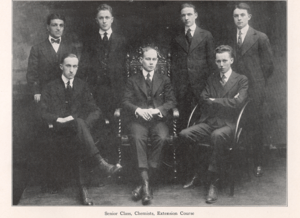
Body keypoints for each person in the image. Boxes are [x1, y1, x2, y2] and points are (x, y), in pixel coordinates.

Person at [40, 53, 122, 205]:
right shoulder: (50, 87)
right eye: (68, 66)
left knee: (78, 126)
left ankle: (83, 188)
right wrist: (58, 119)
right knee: (79, 129)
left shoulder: (82, 85)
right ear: (61, 67)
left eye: (75, 66)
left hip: (78, 130)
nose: (71, 70)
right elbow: (42, 112)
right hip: (58, 130)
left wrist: (84, 124)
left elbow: (95, 110)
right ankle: (101, 164)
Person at [178, 45, 248, 204]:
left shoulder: (241, 80)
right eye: (218, 61)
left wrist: (214, 101)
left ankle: (213, 181)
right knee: (184, 134)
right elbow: (203, 100)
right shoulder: (211, 78)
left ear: (231, 60)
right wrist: (226, 101)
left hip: (229, 125)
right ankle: (198, 172)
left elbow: (238, 103)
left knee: (217, 136)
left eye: (224, 60)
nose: (221, 64)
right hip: (209, 122)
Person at [122, 46, 177, 205]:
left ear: (157, 61)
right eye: (148, 59)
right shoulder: (132, 80)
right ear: (141, 60)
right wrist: (138, 110)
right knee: (138, 138)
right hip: (138, 121)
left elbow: (172, 101)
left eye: (154, 59)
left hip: (158, 120)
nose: (151, 62)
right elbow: (125, 102)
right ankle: (147, 185)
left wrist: (158, 110)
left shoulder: (164, 79)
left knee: (161, 137)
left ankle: (144, 184)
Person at [229, 2, 274, 177]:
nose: (239, 18)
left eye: (242, 15)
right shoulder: (230, 36)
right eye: (236, 16)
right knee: (237, 124)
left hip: (255, 89)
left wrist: (257, 82)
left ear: (249, 17)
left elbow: (268, 66)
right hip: (235, 89)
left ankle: (257, 163)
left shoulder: (260, 37)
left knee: (256, 125)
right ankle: (240, 161)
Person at [78, 3, 127, 122]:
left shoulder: (121, 40)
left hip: (115, 89)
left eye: (107, 18)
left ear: (112, 20)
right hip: (96, 89)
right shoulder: (90, 40)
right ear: (96, 20)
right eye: (101, 18)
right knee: (96, 120)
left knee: (114, 123)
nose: (104, 21)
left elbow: (124, 67)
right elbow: (84, 65)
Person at [171, 3, 215, 131]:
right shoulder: (176, 38)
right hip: (182, 87)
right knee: (183, 119)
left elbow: (212, 64)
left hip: (201, 87)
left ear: (195, 15)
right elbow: (174, 65)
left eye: (189, 14)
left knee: (201, 118)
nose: (186, 18)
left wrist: (209, 87)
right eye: (183, 15)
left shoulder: (206, 35)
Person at [27, 13, 77, 105]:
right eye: (54, 25)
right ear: (48, 27)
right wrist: (36, 91)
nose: (58, 28)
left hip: (66, 93)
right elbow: (32, 73)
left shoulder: (71, 48)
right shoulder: (37, 48)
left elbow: (75, 71)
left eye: (61, 25)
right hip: (45, 93)